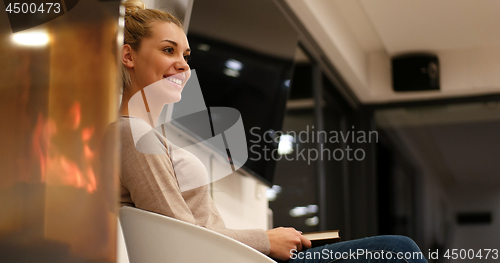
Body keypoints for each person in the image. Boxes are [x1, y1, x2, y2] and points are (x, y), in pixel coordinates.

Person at [116, 1, 428, 262]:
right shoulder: (130, 132)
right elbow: (178, 235)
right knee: (399, 250)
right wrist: (265, 240)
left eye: (185, 56)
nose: (183, 66)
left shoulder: (146, 136)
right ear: (128, 56)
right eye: (168, 50)